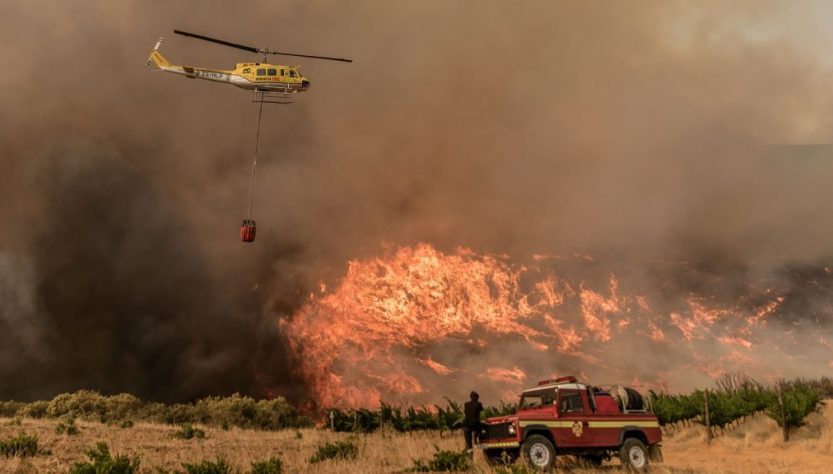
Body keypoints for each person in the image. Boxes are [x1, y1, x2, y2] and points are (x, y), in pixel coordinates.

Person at [463, 391, 483, 458]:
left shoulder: (466, 404)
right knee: (482, 427)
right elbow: (481, 412)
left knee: (469, 444)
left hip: (466, 426)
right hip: (475, 425)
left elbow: (465, 413)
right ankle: (476, 440)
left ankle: (469, 457)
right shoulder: (478, 404)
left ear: (470, 397)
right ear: (477, 397)